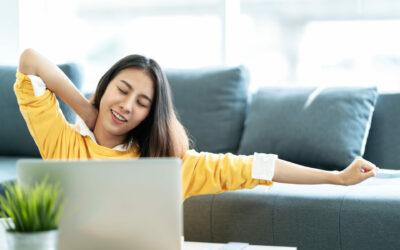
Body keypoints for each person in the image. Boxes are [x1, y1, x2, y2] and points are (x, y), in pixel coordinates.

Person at [15, 48, 379, 200]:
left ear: (149, 116)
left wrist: (336, 178)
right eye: (122, 90)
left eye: (142, 103)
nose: (127, 106)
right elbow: (30, 60)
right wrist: (87, 111)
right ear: (105, 85)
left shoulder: (167, 165)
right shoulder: (62, 142)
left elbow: (259, 166)